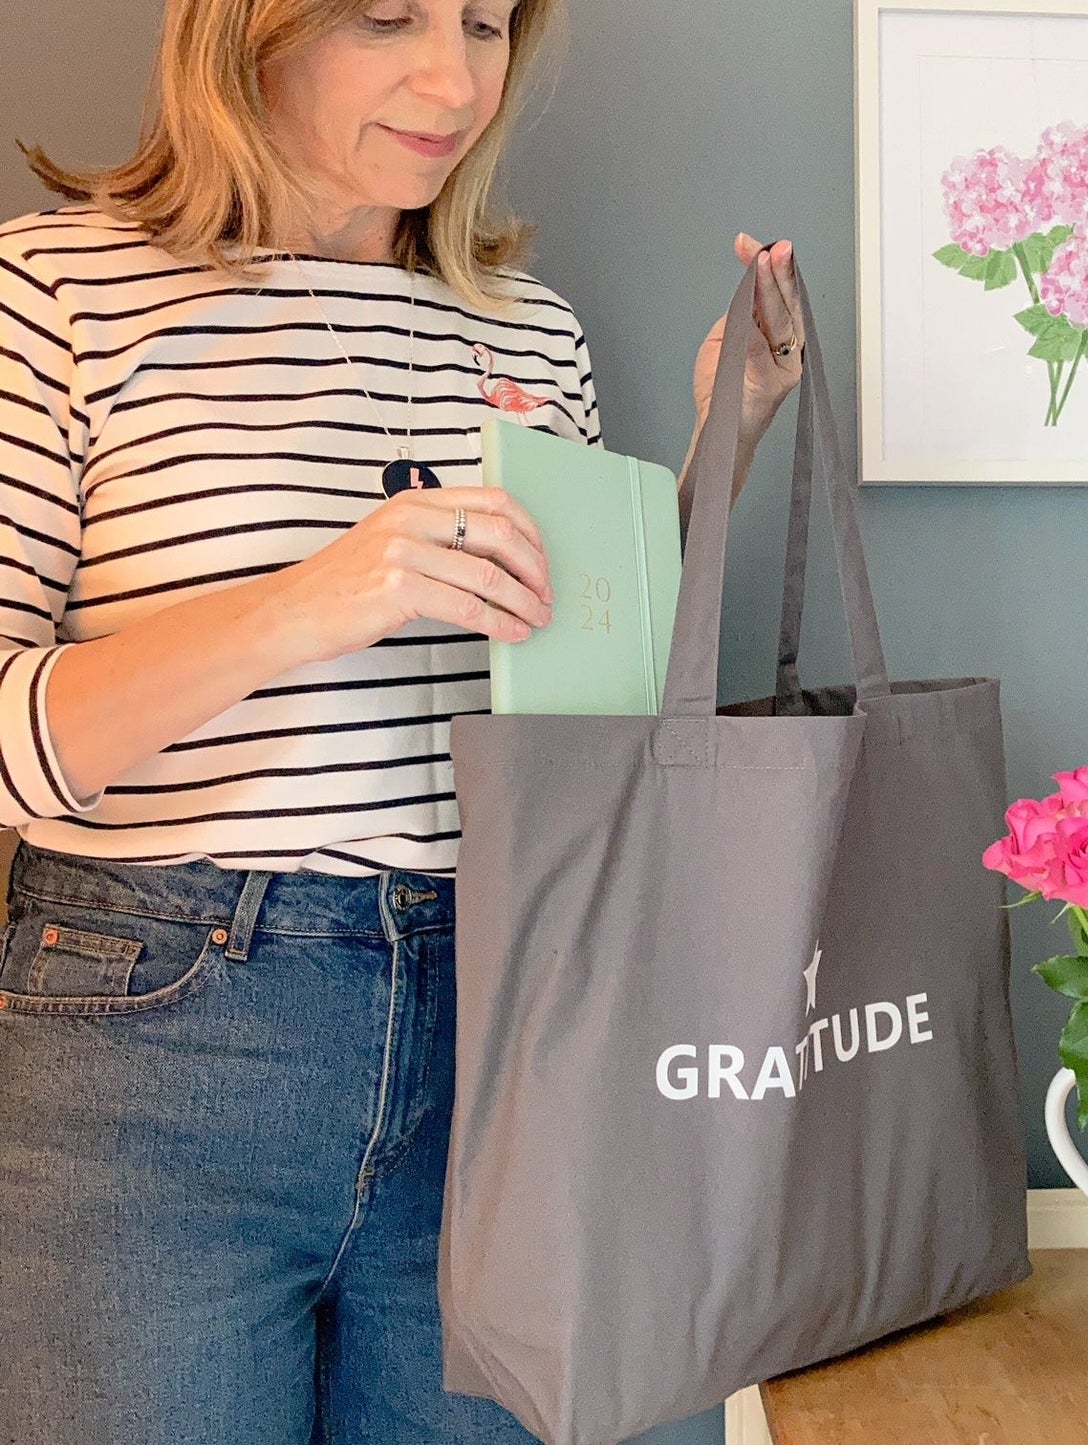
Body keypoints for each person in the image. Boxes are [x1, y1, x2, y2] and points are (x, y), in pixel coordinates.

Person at [0, 0, 805, 1439]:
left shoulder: (527, 329)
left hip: (504, 1032)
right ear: (248, 30)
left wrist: (719, 441)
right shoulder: (55, 292)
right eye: (387, 20)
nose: (454, 80)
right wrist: (314, 596)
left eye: (486, 27)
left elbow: (601, 716)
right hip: (157, 1042)